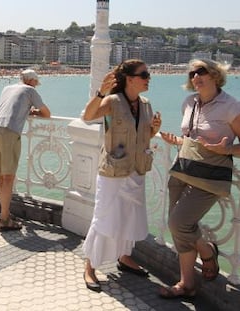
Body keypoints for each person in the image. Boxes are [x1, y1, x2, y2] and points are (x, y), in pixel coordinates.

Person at [158, 59, 240, 299]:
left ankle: (206, 251)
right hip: (184, 170)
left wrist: (226, 150)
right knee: (179, 229)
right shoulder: (189, 103)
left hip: (210, 177)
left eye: (201, 71)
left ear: (215, 75)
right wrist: (177, 142)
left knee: (178, 223)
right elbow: (193, 139)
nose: (195, 77)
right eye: (192, 73)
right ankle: (187, 284)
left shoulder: (230, 106)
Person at [81, 59, 161, 292]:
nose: (148, 78)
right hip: (113, 172)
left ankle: (124, 257)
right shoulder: (113, 101)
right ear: (130, 78)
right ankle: (90, 267)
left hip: (137, 170)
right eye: (144, 74)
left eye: (148, 74)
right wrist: (100, 93)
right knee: (104, 217)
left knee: (130, 217)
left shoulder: (145, 105)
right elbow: (88, 116)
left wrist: (154, 129)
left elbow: (144, 136)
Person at [0, 69, 51, 231]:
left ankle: (5, 213)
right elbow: (47, 113)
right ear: (31, 81)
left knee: (2, 178)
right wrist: (34, 111)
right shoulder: (30, 90)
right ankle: (4, 219)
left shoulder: (7, 88)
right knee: (8, 178)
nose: (36, 86)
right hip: (9, 132)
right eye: (36, 83)